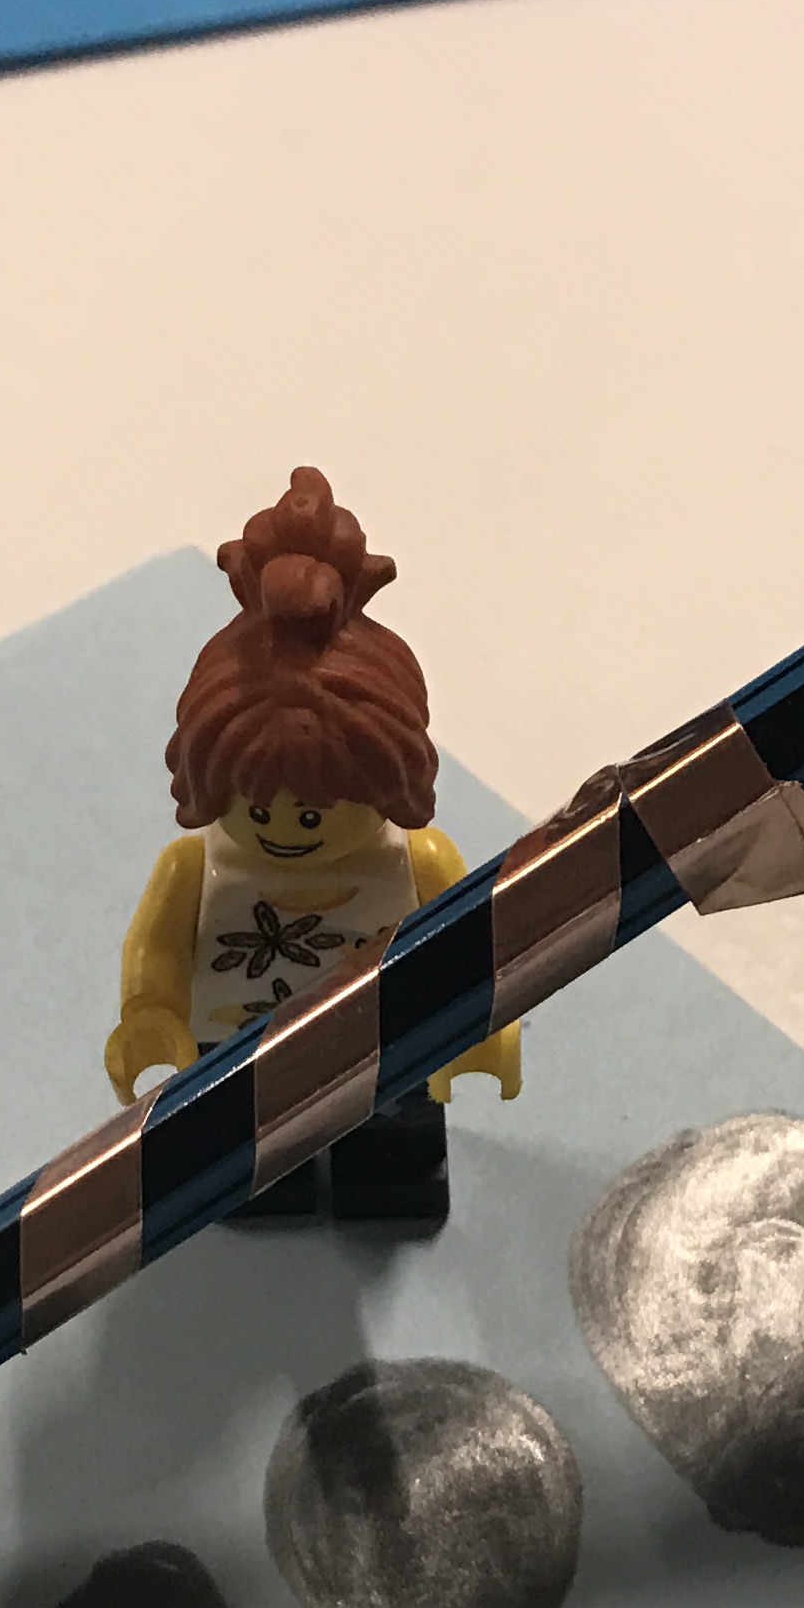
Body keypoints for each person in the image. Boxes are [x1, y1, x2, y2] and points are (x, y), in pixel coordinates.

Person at [104, 467, 518, 1221]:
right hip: (237, 1047)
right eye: (261, 810)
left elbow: (472, 940)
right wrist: (150, 1009)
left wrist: (480, 1017)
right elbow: (156, 945)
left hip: (385, 1038)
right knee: (255, 1146)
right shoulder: (197, 866)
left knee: (387, 1135)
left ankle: (384, 1178)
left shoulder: (417, 863)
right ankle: (262, 1183)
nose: (286, 830)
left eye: (316, 812)